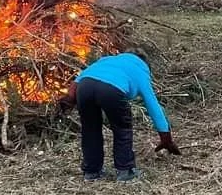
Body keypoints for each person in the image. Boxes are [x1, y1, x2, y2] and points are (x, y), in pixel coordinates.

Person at [60, 50, 181, 183]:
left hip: (84, 87)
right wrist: (166, 137)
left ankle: (91, 172)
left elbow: (78, 80)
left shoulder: (106, 60)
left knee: (90, 129)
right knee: (122, 129)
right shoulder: (141, 71)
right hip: (112, 90)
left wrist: (69, 98)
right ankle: (125, 171)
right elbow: (153, 106)